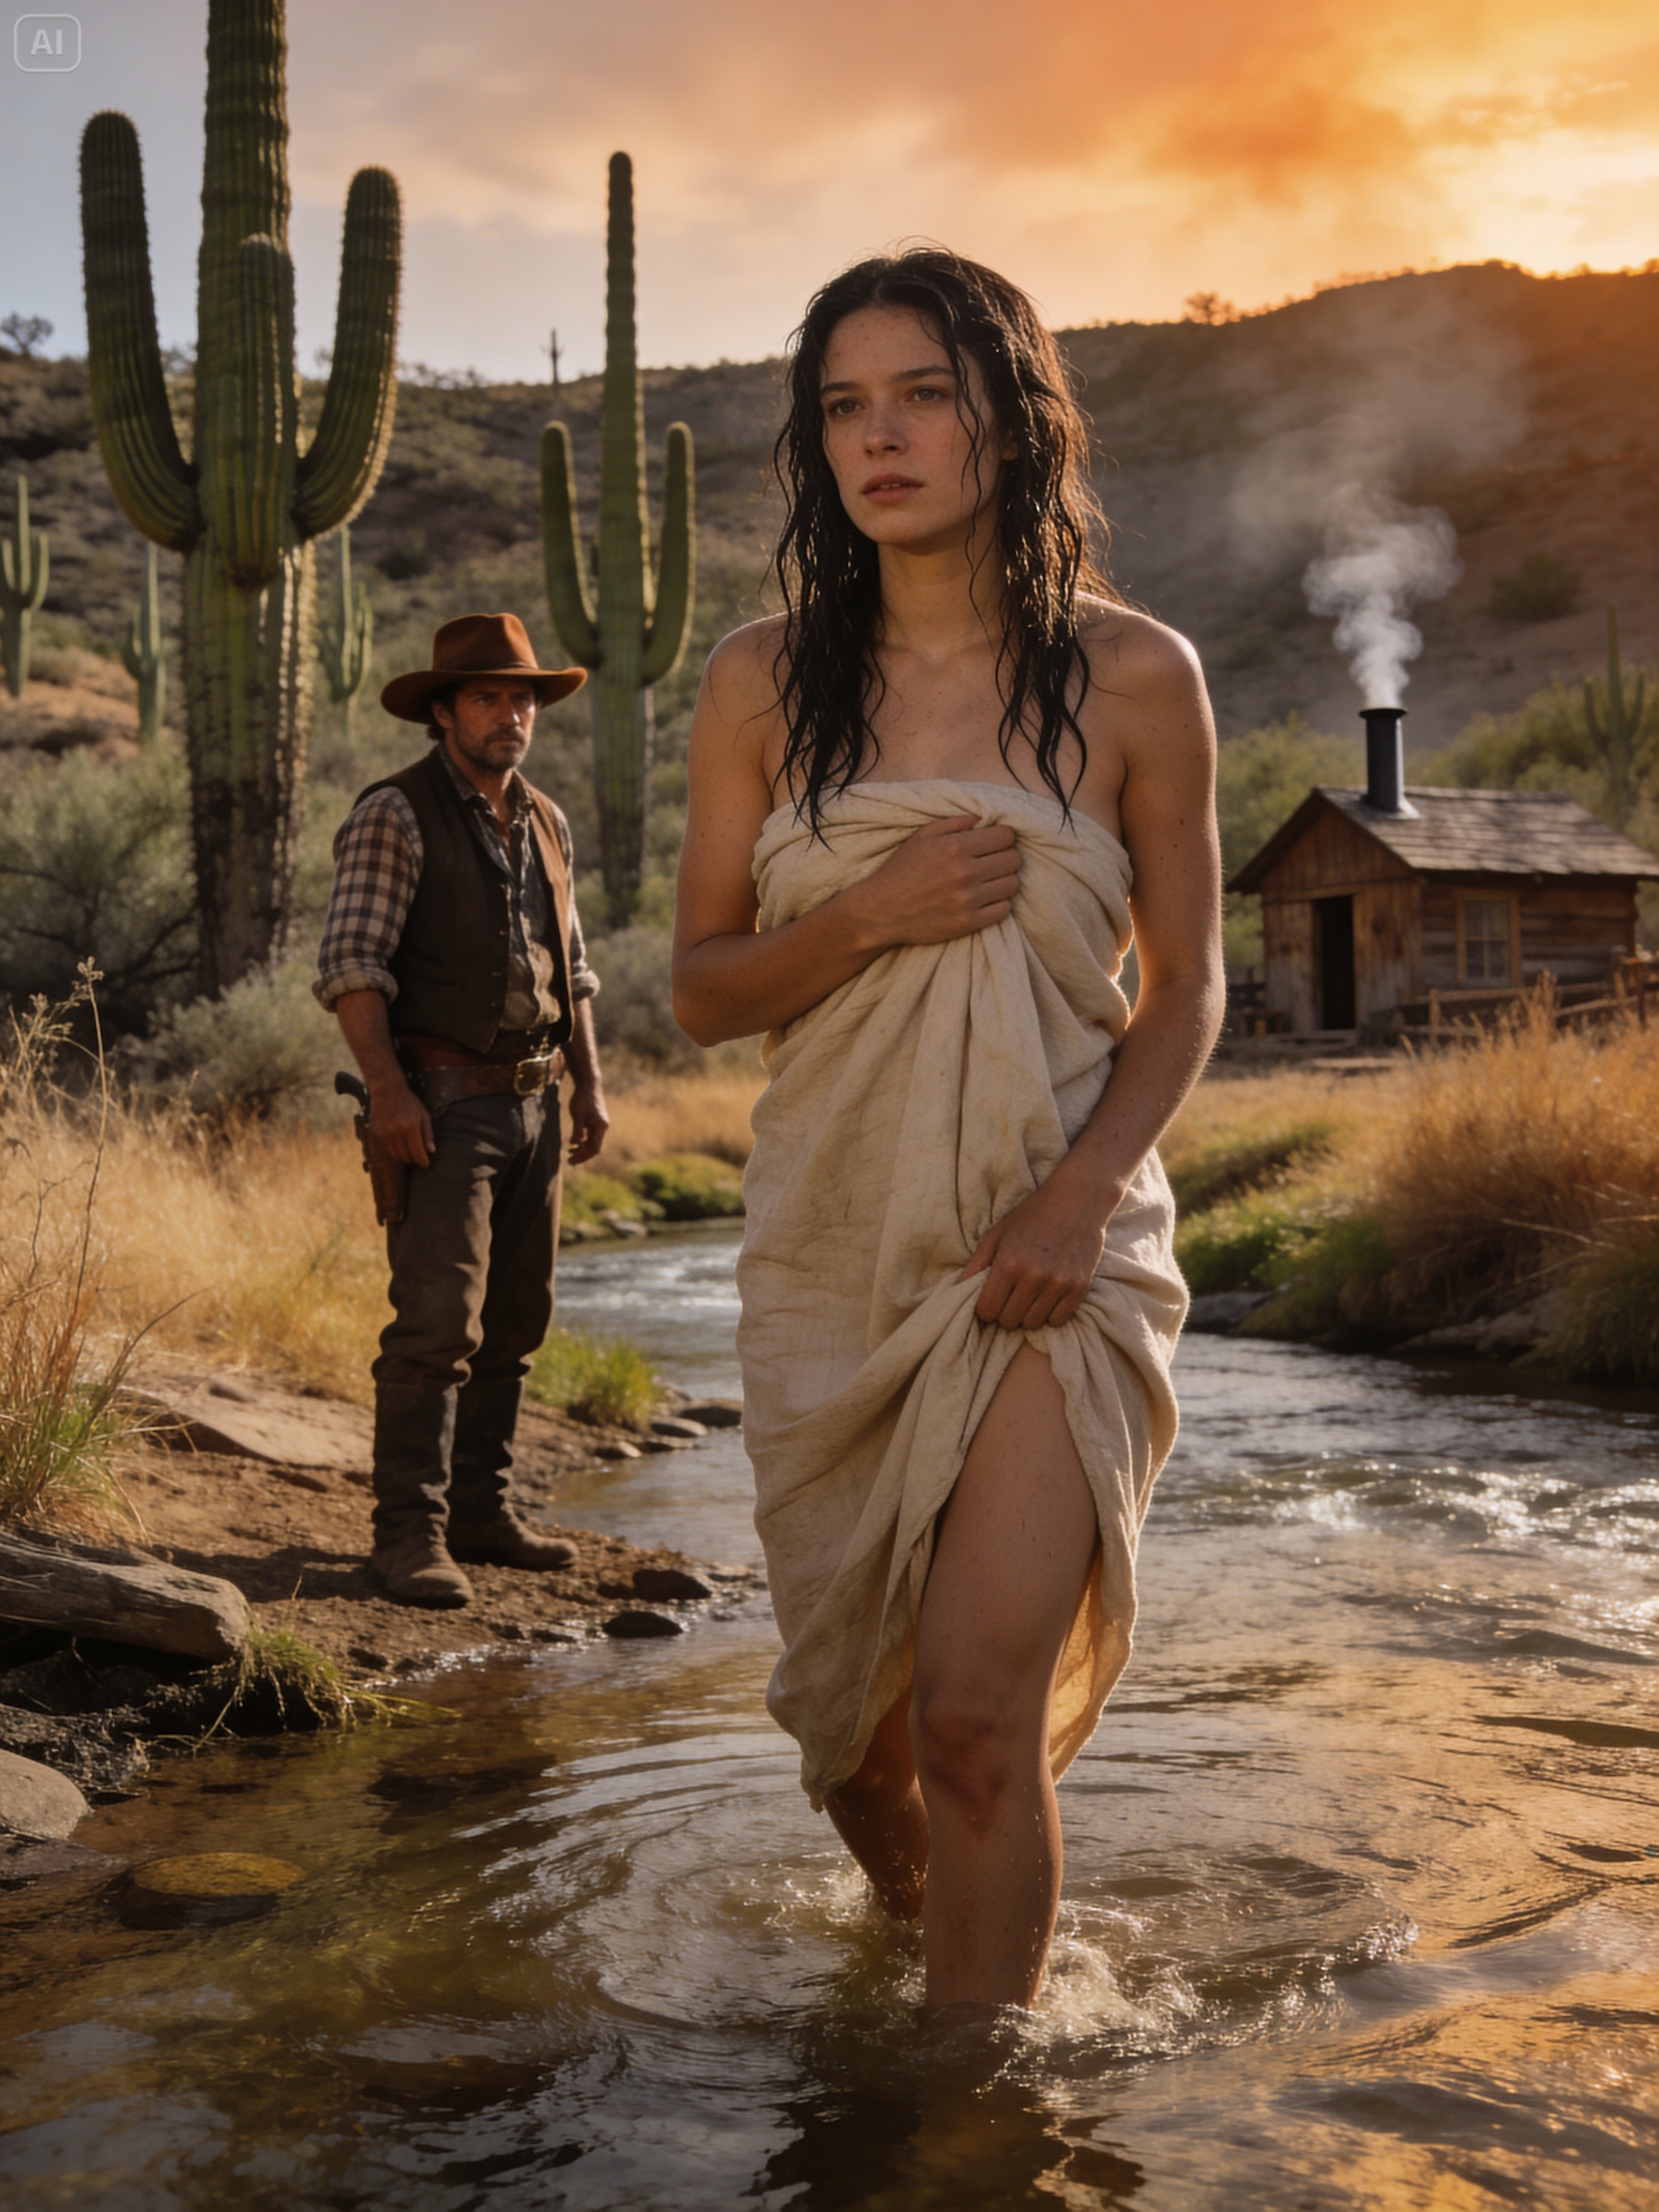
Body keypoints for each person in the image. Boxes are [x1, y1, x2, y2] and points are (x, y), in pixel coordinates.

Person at [672, 251, 1224, 2015]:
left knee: (980, 1722)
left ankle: (968, 2122)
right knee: (856, 1737)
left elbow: (1192, 987)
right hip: (836, 1238)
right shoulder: (761, 683)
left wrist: (1078, 1199)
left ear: (1013, 414)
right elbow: (700, 987)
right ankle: (934, 1952)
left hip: (1051, 1251)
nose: (880, 435)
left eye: (922, 393)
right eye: (845, 404)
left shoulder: (1139, 678)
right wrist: (869, 912)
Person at [315, 612, 611, 1609]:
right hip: (437, 1106)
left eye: (522, 696)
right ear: (443, 713)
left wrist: (592, 1087)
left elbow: (571, 972)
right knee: (435, 1322)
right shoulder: (393, 814)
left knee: (516, 1321)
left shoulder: (547, 819)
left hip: (536, 1102)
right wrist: (389, 1094)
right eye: (487, 696)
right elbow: (353, 969)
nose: (510, 713)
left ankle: (481, 1513)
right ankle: (407, 1538)